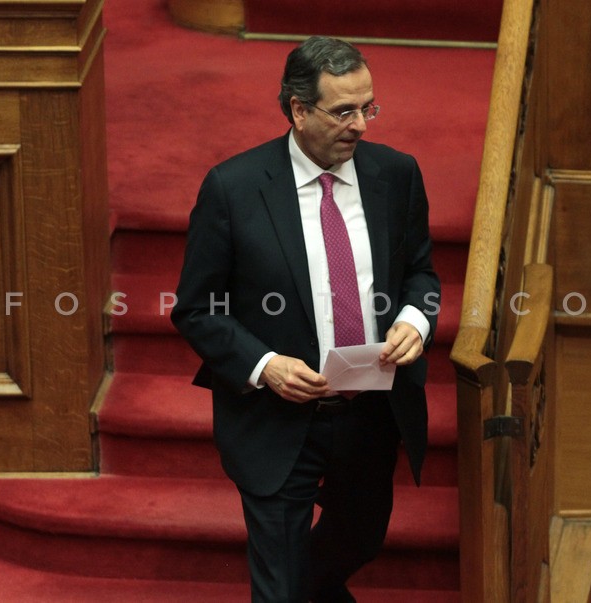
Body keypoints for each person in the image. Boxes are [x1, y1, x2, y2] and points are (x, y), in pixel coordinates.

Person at [172, 35, 441, 603]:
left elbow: (421, 274)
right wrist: (264, 365)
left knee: (360, 541)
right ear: (298, 109)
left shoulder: (396, 174)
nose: (361, 125)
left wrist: (416, 320)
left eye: (368, 107)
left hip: (370, 406)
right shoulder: (233, 188)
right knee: (280, 583)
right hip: (277, 417)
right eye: (343, 111)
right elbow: (197, 308)